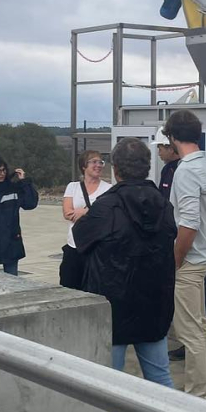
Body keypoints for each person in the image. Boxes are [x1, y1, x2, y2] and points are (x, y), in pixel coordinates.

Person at [72, 138, 177, 388]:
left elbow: (80, 239)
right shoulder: (163, 204)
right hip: (154, 303)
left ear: (116, 169)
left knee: (110, 382)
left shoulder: (106, 206)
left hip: (113, 307)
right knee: (160, 378)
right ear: (146, 167)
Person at [163, 109, 206, 400]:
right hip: (205, 257)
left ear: (172, 137)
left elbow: (189, 224)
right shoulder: (205, 166)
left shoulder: (185, 170)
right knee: (198, 326)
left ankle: (200, 395)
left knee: (189, 331)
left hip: (190, 261)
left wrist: (175, 260)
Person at [58, 150, 113, 289]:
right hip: (74, 246)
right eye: (94, 162)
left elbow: (107, 217)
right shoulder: (73, 187)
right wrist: (93, 213)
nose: (98, 165)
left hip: (96, 248)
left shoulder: (108, 189)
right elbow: (67, 213)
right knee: (69, 286)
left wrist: (85, 211)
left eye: (100, 162)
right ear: (84, 166)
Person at [153, 130, 180, 201]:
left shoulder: (181, 169)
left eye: (160, 149)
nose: (159, 154)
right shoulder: (166, 169)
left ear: (171, 149)